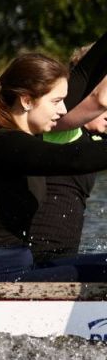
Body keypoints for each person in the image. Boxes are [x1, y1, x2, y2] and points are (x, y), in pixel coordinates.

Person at [0, 53, 107, 282]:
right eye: (56, 102)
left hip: (18, 268)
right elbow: (75, 159)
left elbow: (84, 75)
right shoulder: (3, 143)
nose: (64, 110)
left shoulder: (15, 140)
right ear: (26, 100)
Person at [28, 33, 107, 261]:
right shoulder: (58, 127)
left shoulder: (96, 138)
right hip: (37, 258)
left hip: (63, 260)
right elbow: (99, 100)